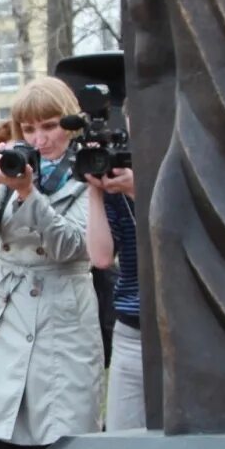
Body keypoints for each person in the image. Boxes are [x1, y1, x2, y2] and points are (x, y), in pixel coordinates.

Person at [0, 77, 103, 449]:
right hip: (3, 317)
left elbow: (71, 244)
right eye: (29, 128)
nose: (39, 140)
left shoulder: (88, 169)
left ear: (70, 125)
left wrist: (28, 194)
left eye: (50, 126)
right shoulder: (11, 166)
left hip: (61, 316)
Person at [85, 136, 142, 433]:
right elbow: (101, 256)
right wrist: (95, 192)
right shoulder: (118, 180)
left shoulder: (194, 167)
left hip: (188, 332)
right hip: (133, 332)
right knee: (125, 442)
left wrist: (139, 191)